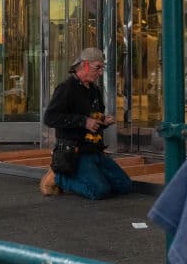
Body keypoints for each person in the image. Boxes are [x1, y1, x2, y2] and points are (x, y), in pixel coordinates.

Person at [41, 47, 132, 200]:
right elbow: (50, 118)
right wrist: (83, 122)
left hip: (95, 149)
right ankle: (59, 178)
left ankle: (91, 176)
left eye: (102, 68)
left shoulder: (94, 90)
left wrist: (103, 121)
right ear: (85, 65)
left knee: (125, 186)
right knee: (99, 191)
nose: (100, 72)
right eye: (98, 67)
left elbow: (94, 118)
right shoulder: (66, 88)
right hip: (76, 152)